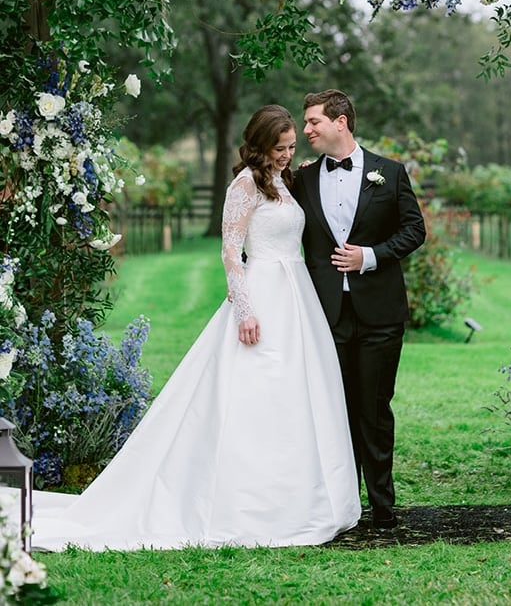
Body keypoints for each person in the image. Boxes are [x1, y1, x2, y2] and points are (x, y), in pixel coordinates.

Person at [31, 105, 360, 551]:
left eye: (291, 147)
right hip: (261, 292)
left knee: (301, 390)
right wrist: (244, 309)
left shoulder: (285, 181)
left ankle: (306, 490)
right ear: (260, 145)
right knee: (256, 392)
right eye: (279, 148)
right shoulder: (244, 185)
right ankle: (249, 501)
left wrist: (295, 171)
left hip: (297, 295)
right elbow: (230, 252)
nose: (287, 154)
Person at [292, 90, 426, 530]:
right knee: (334, 408)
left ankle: (383, 503)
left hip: (380, 312)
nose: (306, 130)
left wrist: (369, 256)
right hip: (324, 314)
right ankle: (342, 503)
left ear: (341, 122)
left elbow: (414, 231)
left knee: (374, 406)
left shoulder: (390, 172)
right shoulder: (304, 179)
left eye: (313, 122)